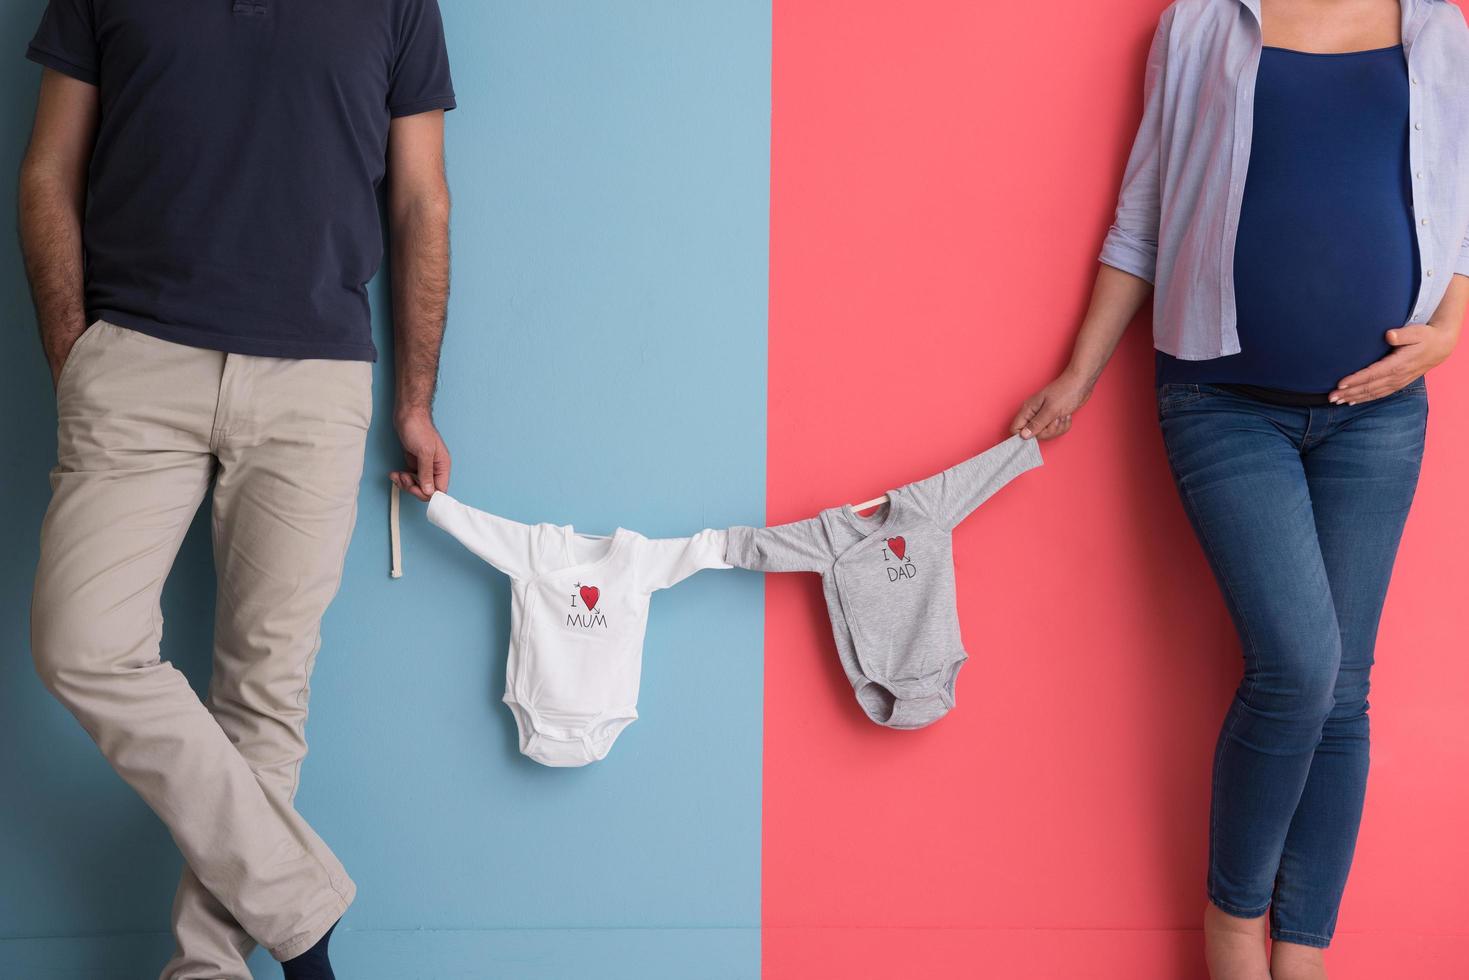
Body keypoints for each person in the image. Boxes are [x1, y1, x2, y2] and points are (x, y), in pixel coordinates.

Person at [1010, 1, 1469, 978]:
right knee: (1299, 667)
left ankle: (1299, 954)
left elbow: (1457, 205)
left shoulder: (1437, 32)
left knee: (1342, 690)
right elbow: (1140, 219)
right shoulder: (1200, 26)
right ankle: (1230, 929)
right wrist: (1076, 375)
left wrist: (1448, 328)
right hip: (1221, 401)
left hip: (1377, 411)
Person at [18, 1, 457, 976]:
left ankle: (207, 969)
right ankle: (304, 910)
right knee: (81, 642)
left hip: (316, 379)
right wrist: (73, 351)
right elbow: (49, 167)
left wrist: (415, 400)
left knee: (265, 692)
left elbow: (422, 198)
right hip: (136, 359)